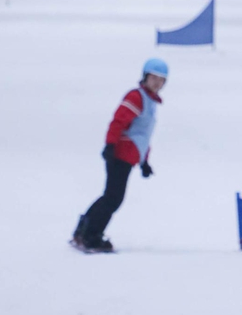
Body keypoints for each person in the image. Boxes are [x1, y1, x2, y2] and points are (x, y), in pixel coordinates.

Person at [71, 58, 169, 253]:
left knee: (111, 196)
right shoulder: (136, 97)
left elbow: (142, 136)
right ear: (145, 77)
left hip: (130, 156)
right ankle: (91, 235)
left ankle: (83, 231)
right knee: (113, 198)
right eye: (154, 78)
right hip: (120, 153)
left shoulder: (150, 102)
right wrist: (110, 145)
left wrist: (144, 162)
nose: (157, 83)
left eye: (161, 80)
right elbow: (118, 122)